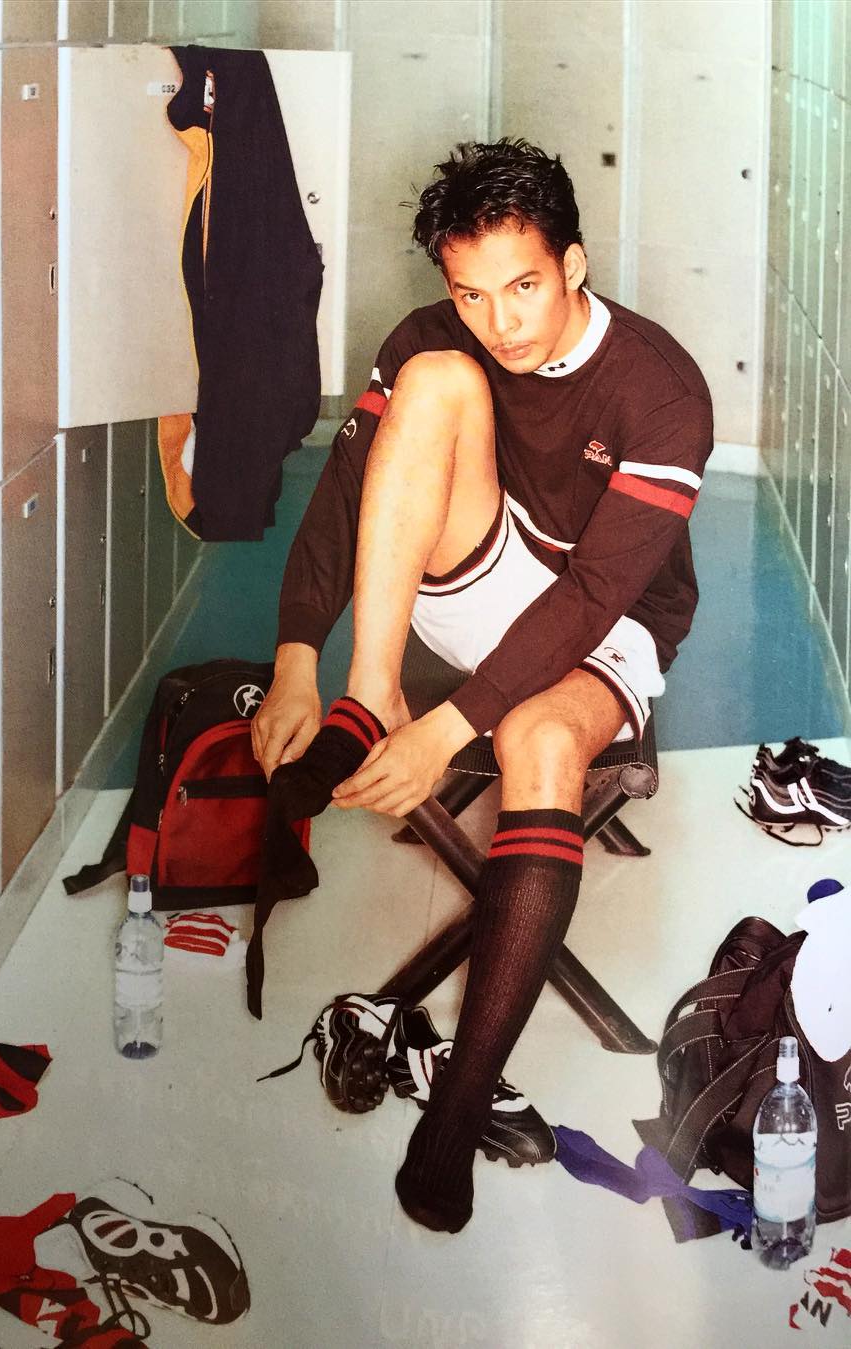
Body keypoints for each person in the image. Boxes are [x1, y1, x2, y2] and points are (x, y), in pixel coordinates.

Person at [250, 139, 714, 1233]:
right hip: (489, 569)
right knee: (433, 379)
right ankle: (372, 692)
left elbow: (594, 593)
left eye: (523, 287)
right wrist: (297, 655)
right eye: (471, 292)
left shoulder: (662, 391)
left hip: (611, 612)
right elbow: (347, 488)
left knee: (537, 744)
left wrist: (454, 722)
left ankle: (458, 1103)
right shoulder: (442, 338)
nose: (499, 321)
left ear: (573, 264)